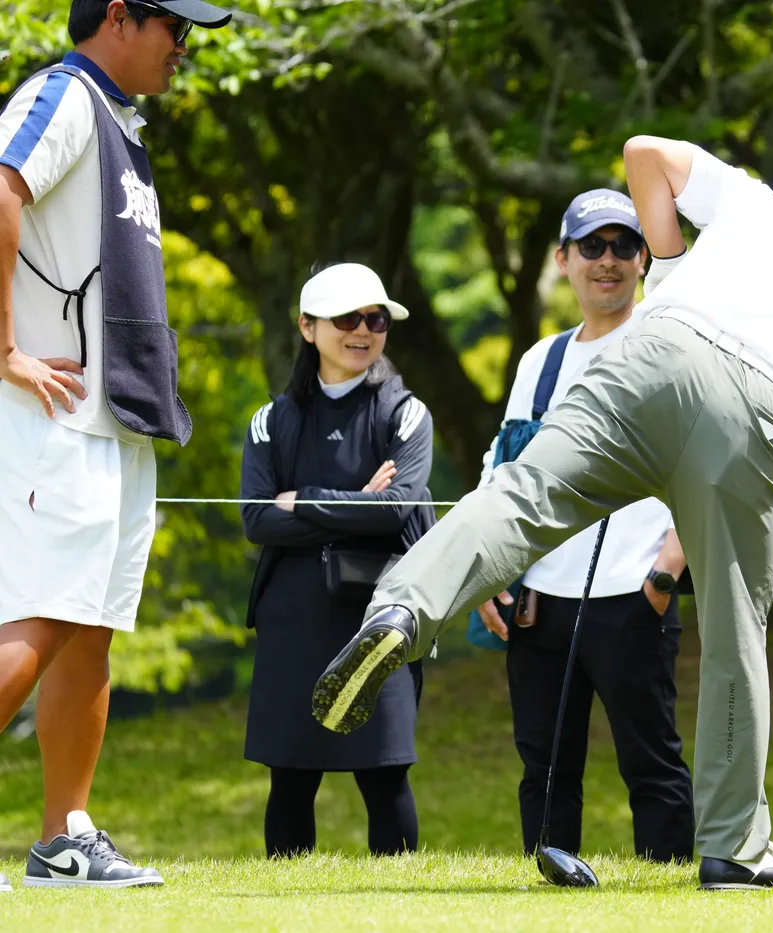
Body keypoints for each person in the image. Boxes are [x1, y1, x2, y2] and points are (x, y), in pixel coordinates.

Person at [311, 136, 773, 890]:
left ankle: (402, 608)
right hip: (749, 409)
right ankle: (734, 845)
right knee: (736, 628)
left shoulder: (764, 208)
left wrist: (667, 266)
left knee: (520, 495)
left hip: (646, 352)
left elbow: (644, 153)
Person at [0, 0, 231, 890]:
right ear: (121, 17)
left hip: (113, 419)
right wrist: (5, 352)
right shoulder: (62, 95)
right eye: (177, 28)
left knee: (89, 628)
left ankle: (63, 838)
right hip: (54, 415)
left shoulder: (117, 119)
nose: (185, 49)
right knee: (44, 616)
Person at [476, 189, 695, 863]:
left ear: (644, 259)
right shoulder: (540, 360)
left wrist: (664, 575)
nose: (608, 260)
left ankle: (666, 899)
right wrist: (485, 573)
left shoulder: (673, 347)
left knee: (652, 766)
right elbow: (504, 468)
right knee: (543, 770)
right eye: (592, 246)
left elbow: (709, 470)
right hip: (540, 604)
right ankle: (550, 891)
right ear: (562, 259)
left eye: (625, 245)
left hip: (634, 595)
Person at [240, 263, 435, 858]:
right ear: (307, 327)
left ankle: (399, 898)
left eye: (376, 319)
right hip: (291, 616)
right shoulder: (271, 420)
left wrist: (302, 499)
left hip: (382, 615)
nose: (363, 331)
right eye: (347, 318)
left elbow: (396, 511)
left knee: (385, 774)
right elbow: (257, 521)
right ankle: (282, 900)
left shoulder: (407, 413)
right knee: (290, 777)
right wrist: (357, 503)